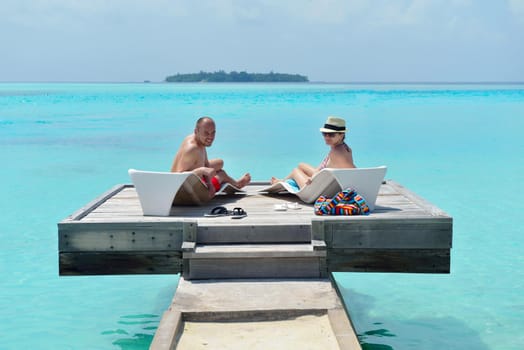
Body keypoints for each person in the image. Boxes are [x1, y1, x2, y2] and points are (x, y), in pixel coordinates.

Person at [171, 116, 251, 198]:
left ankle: (230, 182)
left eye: (213, 133)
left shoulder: (199, 140)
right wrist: (201, 170)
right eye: (206, 133)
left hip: (194, 179)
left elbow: (206, 163)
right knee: (221, 174)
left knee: (220, 163)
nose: (210, 137)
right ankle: (237, 184)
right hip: (187, 192)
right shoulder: (192, 149)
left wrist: (210, 184)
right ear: (196, 131)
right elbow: (178, 177)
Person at [270, 116, 356, 189]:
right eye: (324, 134)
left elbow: (350, 172)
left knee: (295, 171)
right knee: (301, 165)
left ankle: (280, 183)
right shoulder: (344, 148)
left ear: (341, 135)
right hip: (322, 181)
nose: (326, 137)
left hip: (317, 190)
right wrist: (315, 174)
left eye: (331, 135)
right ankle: (283, 181)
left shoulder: (337, 153)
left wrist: (312, 178)